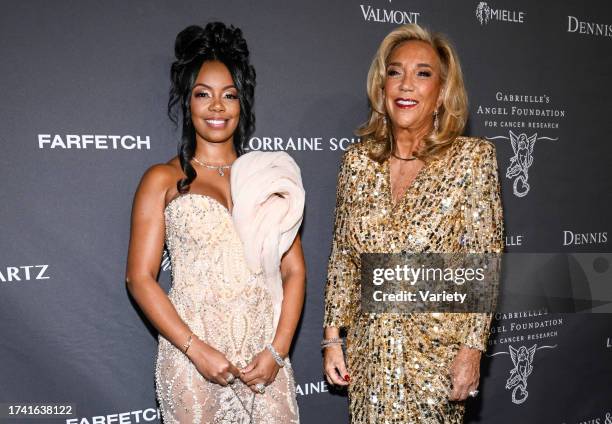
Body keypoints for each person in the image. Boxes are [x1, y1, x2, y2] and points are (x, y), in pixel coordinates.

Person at [322, 24, 504, 423]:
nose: (406, 85)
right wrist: (332, 339)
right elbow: (342, 260)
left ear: (441, 93)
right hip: (370, 354)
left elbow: (482, 265)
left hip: (437, 355)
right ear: (381, 86)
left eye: (423, 74)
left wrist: (471, 351)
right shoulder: (356, 163)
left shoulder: (471, 160)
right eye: (394, 72)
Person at [125, 22, 304, 423]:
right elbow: (140, 277)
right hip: (191, 356)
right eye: (203, 95)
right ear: (187, 102)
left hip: (264, 358)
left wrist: (277, 350)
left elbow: (294, 271)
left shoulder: (269, 176)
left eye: (229, 95)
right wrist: (196, 349)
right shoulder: (162, 179)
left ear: (243, 103)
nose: (217, 107)